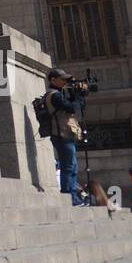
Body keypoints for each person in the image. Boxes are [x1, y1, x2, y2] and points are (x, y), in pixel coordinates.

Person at [44, 68, 90, 206]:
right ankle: (68, 196)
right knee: (68, 166)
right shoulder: (54, 95)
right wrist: (79, 96)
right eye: (62, 79)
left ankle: (73, 195)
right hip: (61, 135)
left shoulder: (59, 94)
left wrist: (80, 94)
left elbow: (76, 106)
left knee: (72, 166)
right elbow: (72, 108)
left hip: (65, 134)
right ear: (53, 79)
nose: (65, 82)